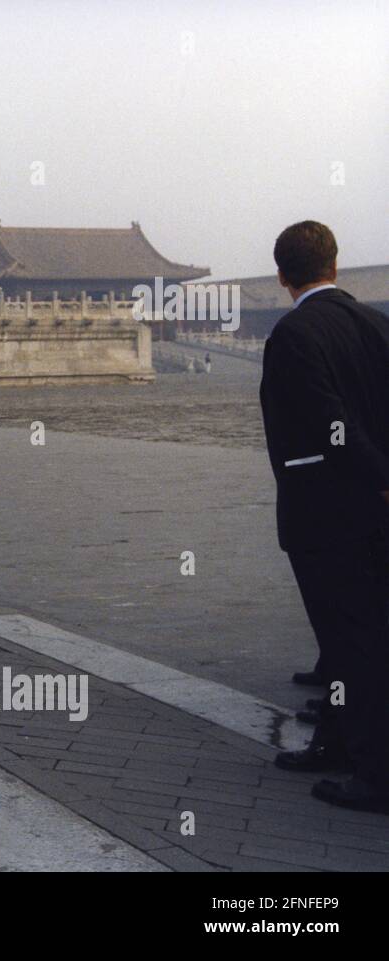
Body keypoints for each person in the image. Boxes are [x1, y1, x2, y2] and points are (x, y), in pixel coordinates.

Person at [260, 220, 389, 813]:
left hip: (327, 514)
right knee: (355, 639)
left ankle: (374, 772)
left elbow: (330, 425)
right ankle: (334, 741)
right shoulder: (376, 324)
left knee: (349, 643)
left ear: (283, 275)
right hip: (372, 516)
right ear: (334, 264)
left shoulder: (293, 335)